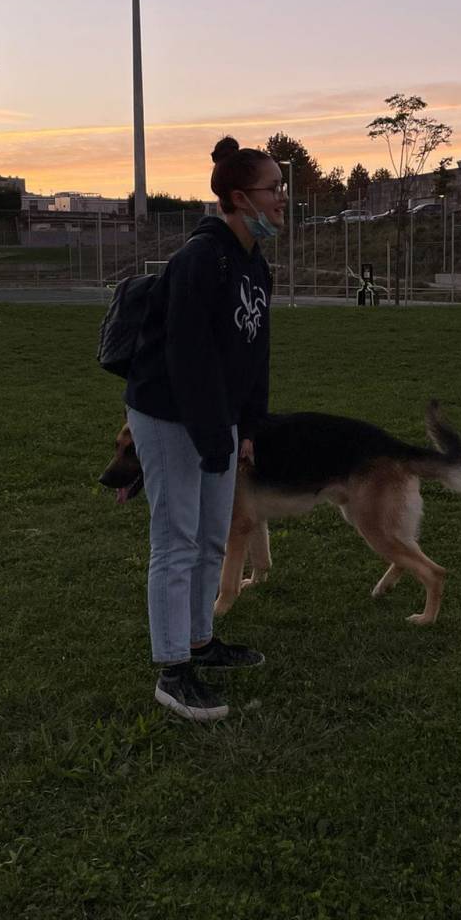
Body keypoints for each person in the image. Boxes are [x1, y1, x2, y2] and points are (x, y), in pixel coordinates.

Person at [123, 137, 281, 722]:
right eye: (274, 189)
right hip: (168, 414)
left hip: (219, 418)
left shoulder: (254, 262)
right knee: (177, 540)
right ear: (240, 198)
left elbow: (253, 352)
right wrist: (213, 431)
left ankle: (200, 640)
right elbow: (187, 358)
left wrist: (248, 425)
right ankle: (173, 671)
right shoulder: (200, 259)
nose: (282, 200)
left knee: (214, 536)